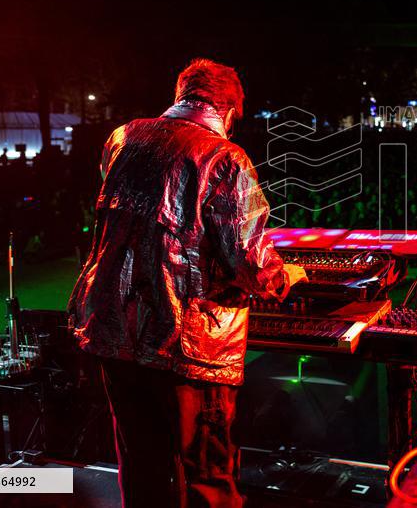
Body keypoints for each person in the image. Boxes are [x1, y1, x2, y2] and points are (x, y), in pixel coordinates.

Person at [67, 58, 308, 508]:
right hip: (188, 347)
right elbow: (252, 266)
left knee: (142, 466)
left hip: (111, 330)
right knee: (208, 474)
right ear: (231, 110)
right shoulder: (226, 157)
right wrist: (287, 275)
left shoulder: (122, 138)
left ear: (181, 95)